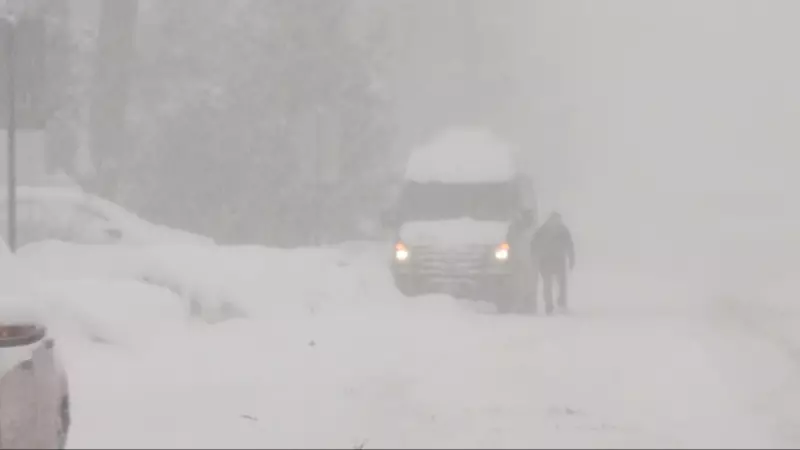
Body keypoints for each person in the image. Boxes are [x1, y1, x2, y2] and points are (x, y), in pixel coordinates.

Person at [530, 212, 575, 315]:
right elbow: (569, 245)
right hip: (553, 260)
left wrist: (534, 257)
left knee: (551, 283)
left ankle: (553, 303)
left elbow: (534, 244)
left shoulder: (544, 229)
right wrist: (571, 259)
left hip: (549, 261)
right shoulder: (562, 230)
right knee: (555, 283)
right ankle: (555, 303)